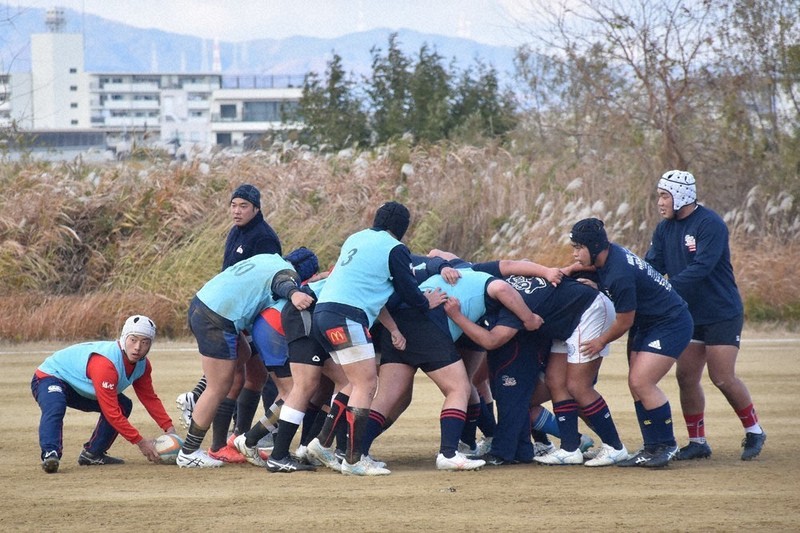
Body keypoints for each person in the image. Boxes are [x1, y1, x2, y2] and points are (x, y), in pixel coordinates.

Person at [311, 201, 447, 476]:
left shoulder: (356, 238)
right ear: (402, 229)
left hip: (323, 312)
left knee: (353, 381)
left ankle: (322, 443)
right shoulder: (395, 248)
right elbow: (408, 290)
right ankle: (354, 459)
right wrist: (425, 302)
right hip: (347, 316)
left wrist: (394, 329)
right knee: (367, 383)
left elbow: (373, 290)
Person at [645, 170, 766, 461]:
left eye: (664, 196)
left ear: (682, 196)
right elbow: (652, 264)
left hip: (722, 312)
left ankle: (754, 430)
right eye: (659, 195)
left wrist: (666, 288)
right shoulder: (663, 229)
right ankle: (698, 442)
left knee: (722, 377)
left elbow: (702, 267)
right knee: (686, 377)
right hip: (689, 314)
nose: (660, 202)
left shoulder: (710, 224)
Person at [568, 218, 693, 468]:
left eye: (578, 248)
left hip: (671, 322)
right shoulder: (608, 258)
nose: (574, 254)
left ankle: (666, 445)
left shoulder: (618, 273)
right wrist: (574, 272)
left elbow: (624, 321)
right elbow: (605, 278)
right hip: (648, 324)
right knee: (635, 385)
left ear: (594, 247)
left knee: (642, 381)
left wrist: (599, 341)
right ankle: (651, 448)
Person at [177, 251, 318, 468]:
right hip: (218, 317)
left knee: (242, 357)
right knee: (219, 386)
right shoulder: (287, 274)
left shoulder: (269, 258)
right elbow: (283, 281)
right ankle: (189, 451)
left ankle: (219, 433)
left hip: (205, 303)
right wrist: (294, 292)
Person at [175, 183, 283, 462]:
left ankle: (237, 435)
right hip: (226, 314)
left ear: (256, 208)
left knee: (254, 372)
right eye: (233, 205)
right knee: (225, 380)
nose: (236, 211)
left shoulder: (265, 238)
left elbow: (263, 283)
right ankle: (198, 448)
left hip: (244, 314)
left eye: (243, 206)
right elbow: (230, 275)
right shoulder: (237, 232)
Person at [31, 315, 177, 474]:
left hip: (80, 387)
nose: (137, 347)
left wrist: (169, 429)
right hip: (50, 376)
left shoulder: (142, 365)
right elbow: (111, 412)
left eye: (145, 342)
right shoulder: (106, 364)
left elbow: (149, 398)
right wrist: (141, 442)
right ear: (123, 338)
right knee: (55, 405)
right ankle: (50, 454)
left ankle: (93, 454)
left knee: (124, 404)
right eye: (133, 340)